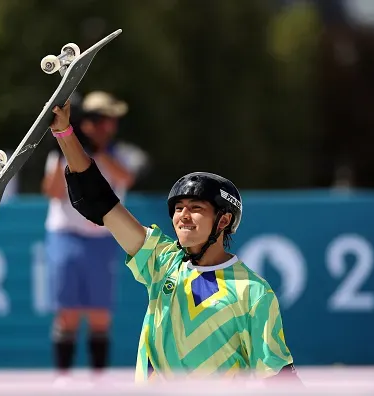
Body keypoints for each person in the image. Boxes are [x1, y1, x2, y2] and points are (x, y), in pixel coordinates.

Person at [47, 100, 299, 383]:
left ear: (224, 221)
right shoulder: (162, 260)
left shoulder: (254, 293)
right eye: (178, 208)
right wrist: (65, 134)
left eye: (196, 208)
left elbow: (279, 378)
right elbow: (99, 200)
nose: (183, 216)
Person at [41, 91, 149, 381]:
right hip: (66, 235)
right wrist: (64, 148)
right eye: (100, 121)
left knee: (100, 314)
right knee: (68, 313)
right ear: (86, 122)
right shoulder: (62, 150)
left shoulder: (117, 153)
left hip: (102, 238)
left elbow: (126, 178)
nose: (108, 127)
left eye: (111, 121)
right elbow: (51, 192)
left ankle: (98, 382)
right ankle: (62, 380)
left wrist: (94, 152)